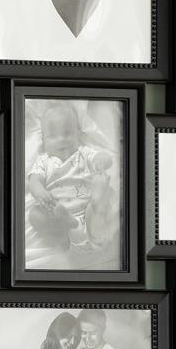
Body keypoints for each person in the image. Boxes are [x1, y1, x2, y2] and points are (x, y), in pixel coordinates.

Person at [24, 102, 120, 269]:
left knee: (102, 196)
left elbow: (107, 158)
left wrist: (101, 160)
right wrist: (39, 192)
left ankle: (97, 205)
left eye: (68, 133)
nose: (61, 139)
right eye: (53, 136)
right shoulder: (43, 161)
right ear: (43, 140)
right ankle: (62, 236)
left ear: (78, 134)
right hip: (57, 210)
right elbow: (34, 181)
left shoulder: (83, 153)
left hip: (86, 205)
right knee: (35, 215)